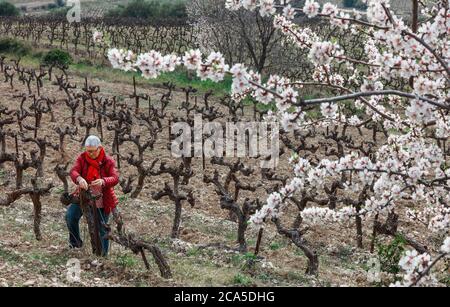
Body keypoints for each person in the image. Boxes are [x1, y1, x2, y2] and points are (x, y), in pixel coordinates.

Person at [66, 135, 119, 256]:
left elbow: (115, 178)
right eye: (87, 150)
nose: (89, 153)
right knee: (70, 217)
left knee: (102, 229)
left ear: (99, 148)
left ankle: (102, 255)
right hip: (84, 197)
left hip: (102, 200)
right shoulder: (82, 158)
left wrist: (104, 181)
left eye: (92, 151)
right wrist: (79, 179)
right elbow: (74, 171)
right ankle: (75, 244)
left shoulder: (108, 161)